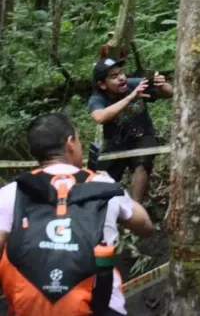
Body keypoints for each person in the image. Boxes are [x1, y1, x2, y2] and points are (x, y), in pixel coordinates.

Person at [0, 113, 153, 316]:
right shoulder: (102, 186)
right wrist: (116, 189)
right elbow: (145, 226)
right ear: (70, 143)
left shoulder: (12, 191)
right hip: (99, 308)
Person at [88, 58, 173, 202]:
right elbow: (99, 117)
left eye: (121, 73)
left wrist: (162, 85)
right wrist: (131, 98)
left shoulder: (135, 84)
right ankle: (104, 212)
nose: (121, 78)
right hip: (115, 142)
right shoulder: (97, 98)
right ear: (102, 84)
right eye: (114, 77)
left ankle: (135, 209)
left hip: (142, 135)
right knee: (102, 177)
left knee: (142, 164)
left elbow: (169, 93)